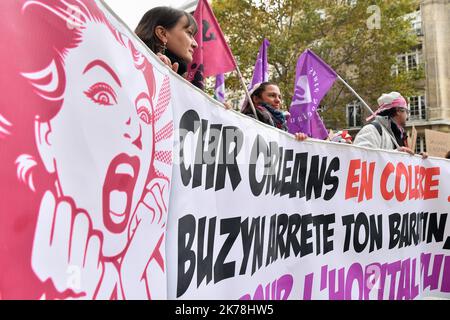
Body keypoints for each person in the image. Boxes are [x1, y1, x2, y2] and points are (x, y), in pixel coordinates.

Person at [1, 0, 173, 299]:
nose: (136, 129)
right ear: (45, 134)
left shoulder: (147, 263)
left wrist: (130, 277)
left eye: (145, 114)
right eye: (103, 95)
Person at [354, 91, 426, 158]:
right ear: (398, 111)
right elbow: (359, 158)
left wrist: (417, 159)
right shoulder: (372, 130)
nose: (408, 115)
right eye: (407, 111)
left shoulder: (401, 135)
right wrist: (394, 155)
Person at [135, 6, 198, 78]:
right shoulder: (134, 67)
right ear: (162, 33)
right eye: (189, 33)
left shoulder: (182, 78)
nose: (195, 44)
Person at [242, 82, 307, 141]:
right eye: (272, 95)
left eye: (279, 97)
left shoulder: (282, 122)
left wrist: (296, 140)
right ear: (256, 99)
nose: (278, 100)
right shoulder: (247, 121)